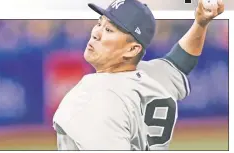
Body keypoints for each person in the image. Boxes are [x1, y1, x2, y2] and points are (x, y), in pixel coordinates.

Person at [53, 0, 224, 150]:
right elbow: (180, 63)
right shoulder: (153, 77)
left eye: (109, 30)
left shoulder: (92, 99)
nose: (96, 33)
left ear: (132, 49)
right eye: (99, 23)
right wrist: (201, 24)